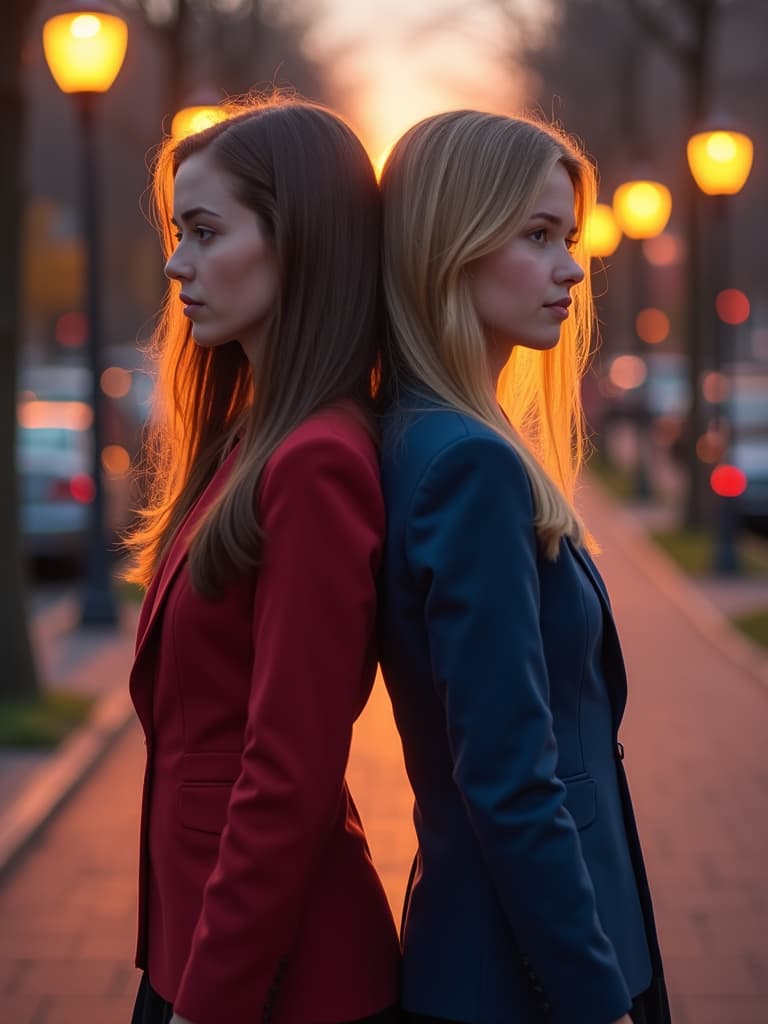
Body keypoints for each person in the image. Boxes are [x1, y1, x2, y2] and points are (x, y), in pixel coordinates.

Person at [376, 110, 670, 1024]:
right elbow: (507, 779)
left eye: (569, 238)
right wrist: (596, 1000)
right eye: (538, 236)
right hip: (526, 974)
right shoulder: (468, 464)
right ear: (448, 245)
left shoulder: (427, 435)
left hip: (507, 954)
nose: (572, 269)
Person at [123, 98, 401, 1024]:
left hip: (270, 976)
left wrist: (211, 1000)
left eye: (205, 232)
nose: (177, 263)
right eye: (177, 231)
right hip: (200, 943)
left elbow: (289, 771)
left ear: (302, 242)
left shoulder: (315, 459)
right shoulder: (251, 436)